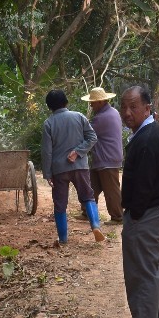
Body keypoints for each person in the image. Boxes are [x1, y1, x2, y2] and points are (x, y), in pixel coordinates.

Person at [114, 85, 159, 318]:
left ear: (147, 108)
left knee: (143, 272)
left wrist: (135, 216)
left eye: (133, 107)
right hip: (158, 209)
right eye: (124, 107)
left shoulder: (148, 138)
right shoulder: (148, 133)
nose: (127, 113)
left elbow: (144, 184)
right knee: (156, 267)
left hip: (148, 213)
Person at [40, 89, 105, 245]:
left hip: (59, 170)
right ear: (66, 102)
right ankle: (95, 226)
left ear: (49, 107)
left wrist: (47, 174)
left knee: (60, 203)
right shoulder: (79, 116)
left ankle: (63, 238)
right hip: (80, 166)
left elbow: (47, 152)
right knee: (88, 196)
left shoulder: (48, 123)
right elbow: (92, 138)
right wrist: (78, 152)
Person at [82, 86, 124, 223]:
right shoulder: (113, 112)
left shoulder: (101, 118)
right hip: (105, 158)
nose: (91, 105)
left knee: (111, 190)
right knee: (91, 187)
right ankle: (87, 212)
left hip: (106, 159)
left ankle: (117, 216)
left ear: (100, 102)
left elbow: (86, 133)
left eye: (93, 102)